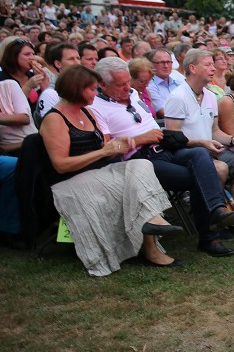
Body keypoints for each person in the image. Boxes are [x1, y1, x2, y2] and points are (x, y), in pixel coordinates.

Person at [90, 57, 234, 257]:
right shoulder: (96, 107)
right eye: (120, 84)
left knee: (199, 154)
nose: (127, 87)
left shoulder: (134, 94)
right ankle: (209, 236)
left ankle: (217, 209)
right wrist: (142, 138)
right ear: (102, 84)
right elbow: (108, 148)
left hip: (164, 148)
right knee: (201, 176)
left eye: (128, 81)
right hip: (140, 161)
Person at [40, 65, 185, 275]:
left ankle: (152, 227)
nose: (96, 92)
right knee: (132, 184)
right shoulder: (55, 119)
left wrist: (121, 144)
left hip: (99, 171)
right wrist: (102, 153)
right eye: (91, 89)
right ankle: (151, 246)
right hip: (71, 181)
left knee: (142, 165)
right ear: (75, 89)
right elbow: (61, 165)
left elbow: (104, 148)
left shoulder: (87, 112)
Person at [164, 49, 234, 199]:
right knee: (221, 169)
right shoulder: (177, 97)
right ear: (192, 68)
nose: (213, 68)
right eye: (207, 65)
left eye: (213, 64)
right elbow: (174, 138)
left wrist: (233, 140)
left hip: (210, 151)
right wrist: (202, 143)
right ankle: (213, 212)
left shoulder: (211, 96)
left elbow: (215, 131)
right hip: (188, 153)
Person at [145, 48, 185, 117]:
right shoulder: (150, 86)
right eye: (161, 63)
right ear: (151, 64)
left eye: (168, 62)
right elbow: (165, 112)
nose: (166, 66)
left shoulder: (179, 83)